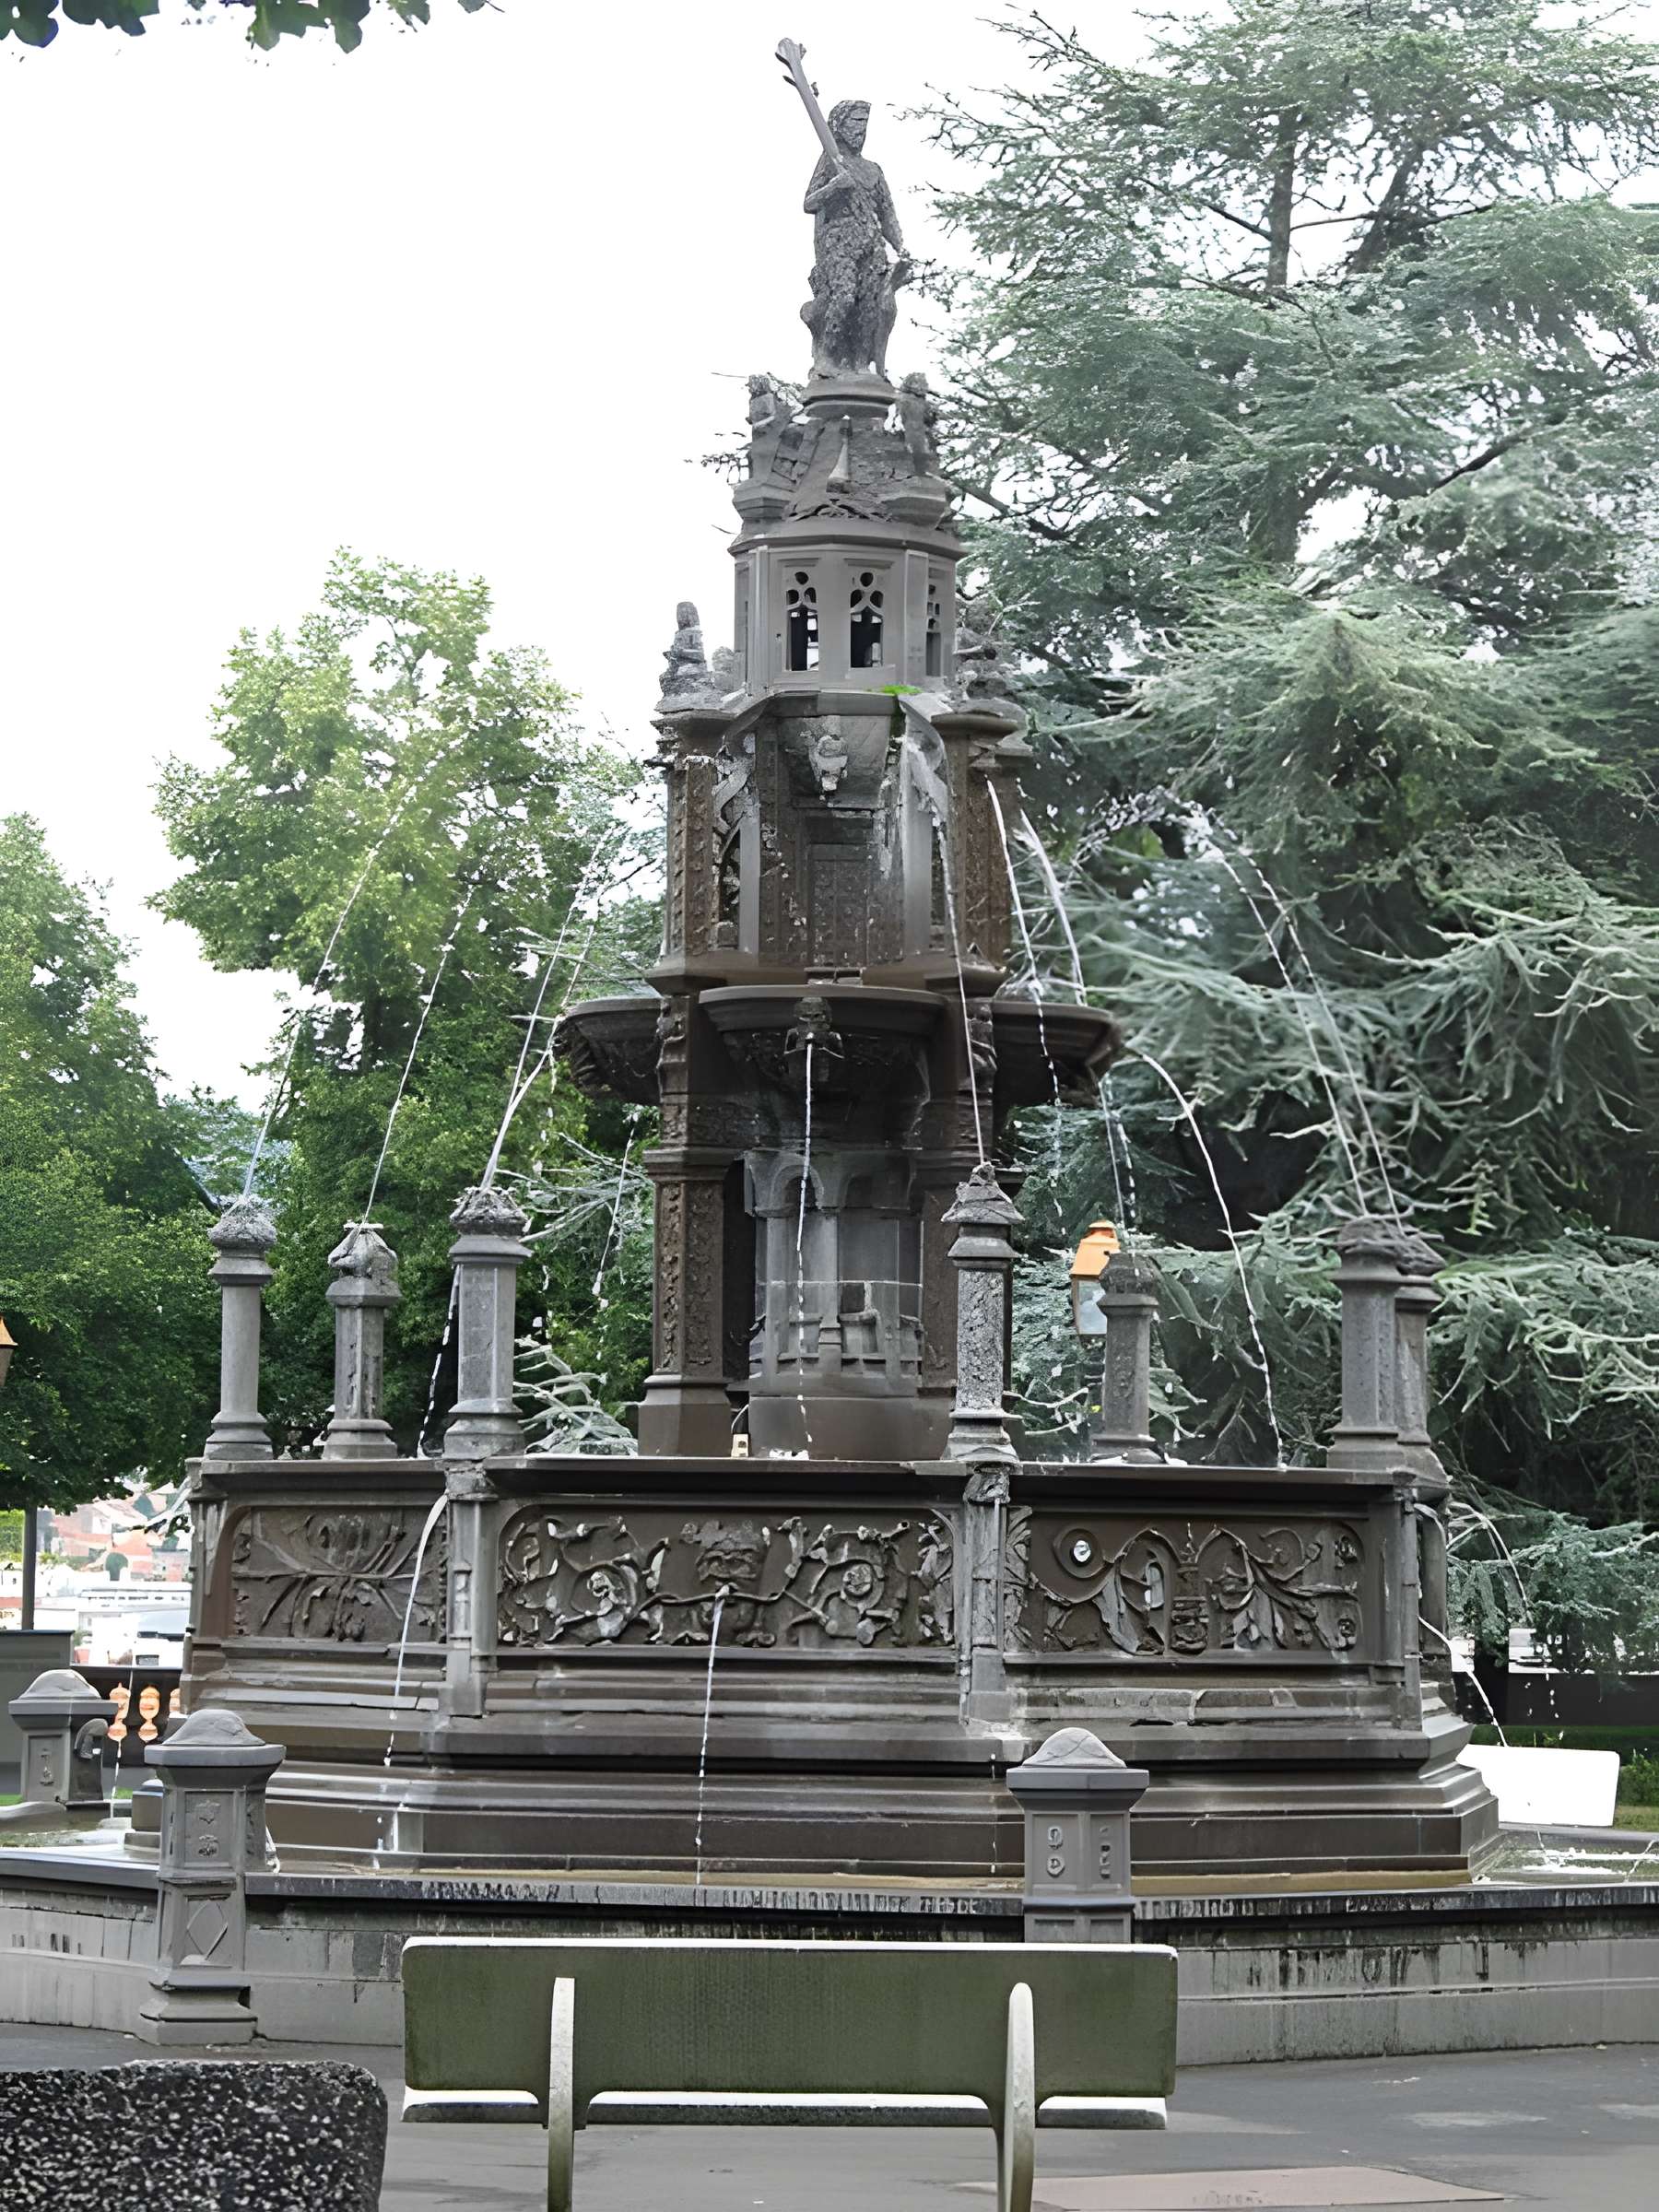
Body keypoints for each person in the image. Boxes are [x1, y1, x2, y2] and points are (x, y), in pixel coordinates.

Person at [801, 100, 906, 378]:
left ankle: (860, 362)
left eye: (864, 123)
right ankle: (827, 356)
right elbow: (809, 202)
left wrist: (901, 246)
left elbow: (887, 213)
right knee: (845, 297)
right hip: (839, 241)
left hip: (871, 243)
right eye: (855, 122)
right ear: (839, 124)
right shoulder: (831, 161)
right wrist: (835, 186)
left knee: (869, 304)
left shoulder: (873, 170)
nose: (861, 130)